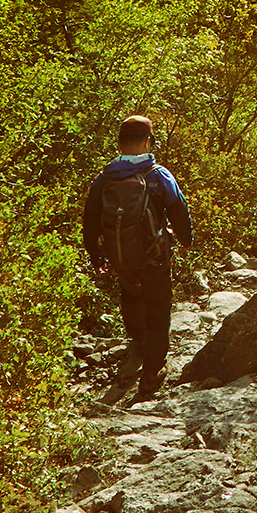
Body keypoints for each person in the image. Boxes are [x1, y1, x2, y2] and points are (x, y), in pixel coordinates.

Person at [81, 114, 194, 403]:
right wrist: (186, 240)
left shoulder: (104, 178)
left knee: (130, 294)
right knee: (158, 310)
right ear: (148, 141)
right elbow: (179, 208)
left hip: (119, 256)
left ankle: (138, 340)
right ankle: (152, 374)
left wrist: (95, 255)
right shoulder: (157, 175)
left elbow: (90, 219)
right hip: (154, 257)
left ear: (119, 142)